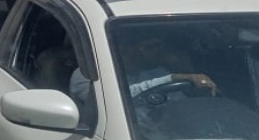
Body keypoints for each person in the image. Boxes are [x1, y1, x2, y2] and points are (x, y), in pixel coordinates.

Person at [69, 34, 216, 106]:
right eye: (151, 47)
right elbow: (110, 102)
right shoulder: (87, 74)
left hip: (161, 135)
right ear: (128, 48)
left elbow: (180, 107)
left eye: (159, 47)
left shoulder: (157, 72)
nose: (158, 51)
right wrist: (173, 78)